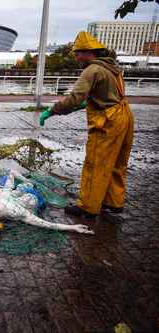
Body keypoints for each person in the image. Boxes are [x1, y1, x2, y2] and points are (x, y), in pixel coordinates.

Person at [39, 31, 134, 219]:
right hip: (124, 116)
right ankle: (113, 203)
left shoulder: (92, 70)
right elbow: (101, 97)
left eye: (77, 53)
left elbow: (76, 98)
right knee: (117, 162)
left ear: (88, 52)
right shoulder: (112, 68)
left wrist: (53, 110)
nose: (76, 58)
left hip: (108, 120)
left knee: (96, 162)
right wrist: (79, 106)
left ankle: (88, 207)